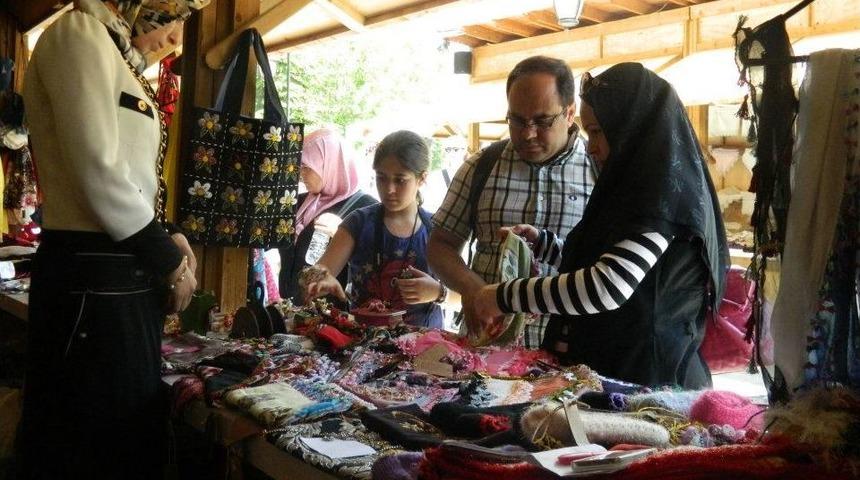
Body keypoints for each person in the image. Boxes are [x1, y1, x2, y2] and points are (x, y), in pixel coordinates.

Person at [18, 0, 207, 477]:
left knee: (126, 436)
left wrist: (168, 234)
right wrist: (166, 257)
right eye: (170, 14)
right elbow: (96, 168)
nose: (174, 36)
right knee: (87, 443)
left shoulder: (114, 54)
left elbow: (130, 174)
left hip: (118, 273)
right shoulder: (77, 36)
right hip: (92, 275)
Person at [468, 63, 729, 389]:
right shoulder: (634, 187)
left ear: (632, 126)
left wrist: (503, 296)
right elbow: (617, 263)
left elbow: (606, 287)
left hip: (644, 382)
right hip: (615, 371)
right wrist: (544, 244)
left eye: (598, 132)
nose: (591, 146)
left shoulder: (663, 194)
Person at [428, 55, 596, 347]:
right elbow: (440, 246)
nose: (528, 133)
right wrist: (473, 290)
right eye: (517, 120)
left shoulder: (599, 171)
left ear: (570, 113)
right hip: (485, 349)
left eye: (542, 121)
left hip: (571, 352)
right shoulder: (481, 166)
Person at [303, 130, 445, 329]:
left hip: (427, 342)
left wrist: (439, 292)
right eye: (381, 178)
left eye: (400, 180)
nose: (389, 189)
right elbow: (319, 270)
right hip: (367, 340)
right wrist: (319, 279)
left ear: (421, 179)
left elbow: (466, 295)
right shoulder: (359, 223)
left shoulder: (438, 228)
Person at [278, 128, 376, 304]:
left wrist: (344, 236)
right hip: (294, 307)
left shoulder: (366, 208)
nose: (301, 174)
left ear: (329, 164)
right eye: (299, 167)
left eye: (307, 167)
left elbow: (377, 262)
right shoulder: (297, 203)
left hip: (334, 311)